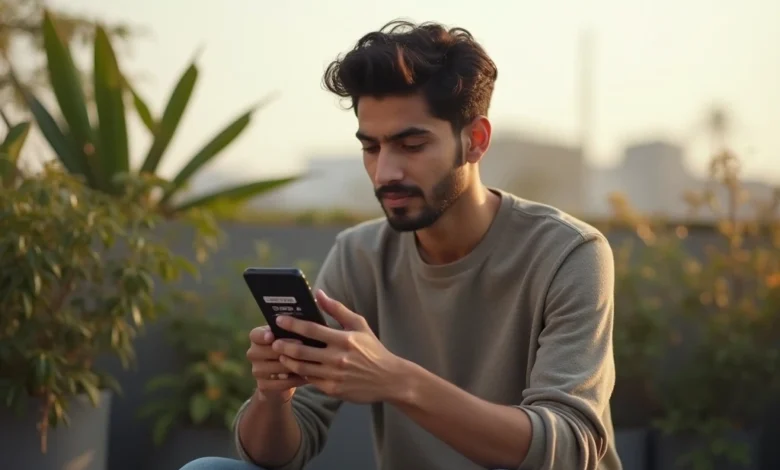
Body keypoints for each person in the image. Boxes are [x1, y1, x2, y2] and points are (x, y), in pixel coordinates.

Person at [181, 19, 621, 470]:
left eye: (411, 145)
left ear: (475, 140)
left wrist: (397, 381)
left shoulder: (569, 253)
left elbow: (569, 448)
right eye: (371, 148)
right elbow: (279, 454)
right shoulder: (360, 255)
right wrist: (273, 395)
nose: (386, 171)